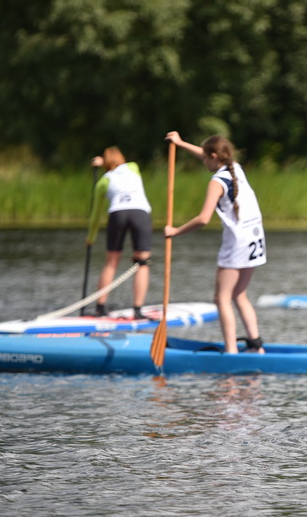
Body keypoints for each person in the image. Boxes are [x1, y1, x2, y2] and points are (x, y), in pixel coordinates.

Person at [163, 131, 266, 354]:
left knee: (221, 298)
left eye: (205, 159)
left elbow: (203, 219)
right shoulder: (235, 167)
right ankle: (257, 347)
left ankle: (231, 352)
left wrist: (175, 232)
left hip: (237, 244)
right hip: (255, 239)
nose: (203, 162)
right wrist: (180, 143)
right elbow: (205, 153)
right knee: (239, 295)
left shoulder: (216, 181)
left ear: (213, 156)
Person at [86, 147, 153, 319]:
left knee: (111, 261)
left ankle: (100, 307)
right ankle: (137, 310)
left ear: (105, 164)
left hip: (118, 213)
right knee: (142, 261)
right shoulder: (133, 167)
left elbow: (95, 215)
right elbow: (117, 165)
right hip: (139, 213)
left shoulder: (103, 181)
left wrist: (90, 238)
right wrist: (105, 162)